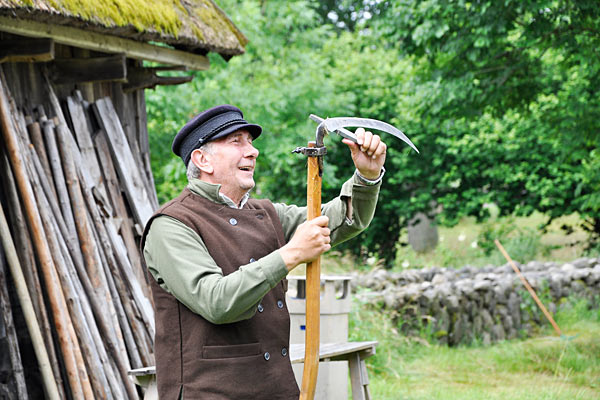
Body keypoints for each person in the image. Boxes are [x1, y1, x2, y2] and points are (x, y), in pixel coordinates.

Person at [141, 105, 386, 399]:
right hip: (207, 393)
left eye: (251, 142)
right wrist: (292, 253)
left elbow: (337, 221)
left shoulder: (267, 213)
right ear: (202, 159)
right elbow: (216, 301)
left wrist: (366, 176)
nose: (253, 151)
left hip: (275, 389)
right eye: (236, 142)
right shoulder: (171, 226)